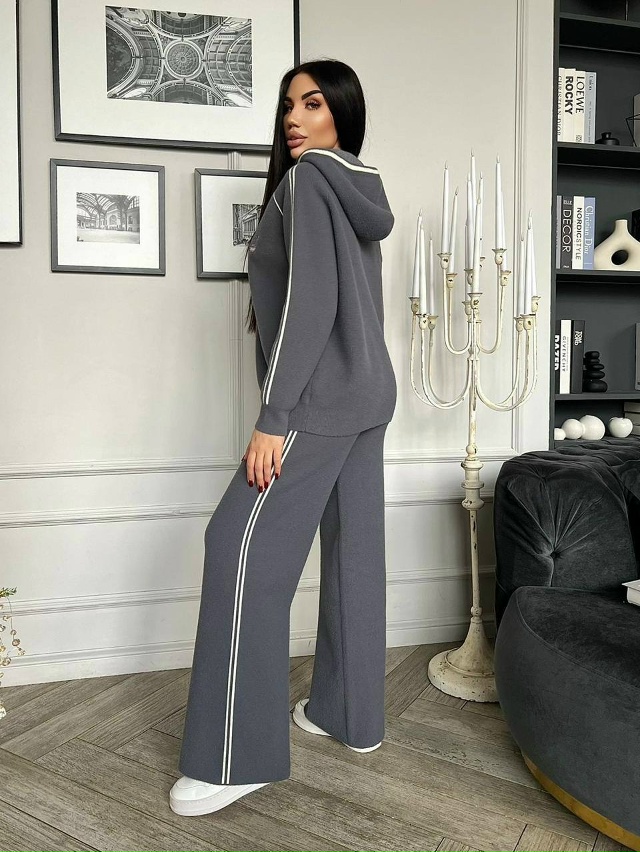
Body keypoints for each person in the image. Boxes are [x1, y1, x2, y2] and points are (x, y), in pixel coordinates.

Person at [169, 58, 397, 817]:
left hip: (318, 404)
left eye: (314, 103)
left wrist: (274, 416)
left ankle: (235, 757)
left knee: (236, 548)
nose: (295, 118)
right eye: (288, 105)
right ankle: (350, 715)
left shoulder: (306, 182)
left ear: (342, 112)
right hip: (369, 394)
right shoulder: (357, 183)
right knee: (355, 553)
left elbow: (309, 305)